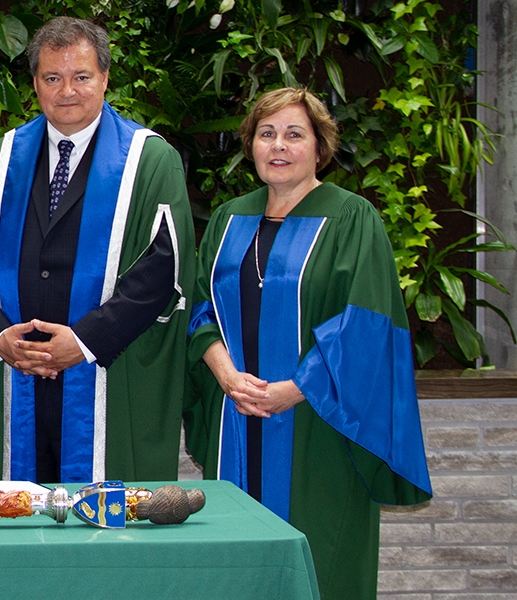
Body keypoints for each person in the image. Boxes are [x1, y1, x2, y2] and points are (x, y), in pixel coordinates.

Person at [184, 87, 432, 599]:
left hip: (318, 426)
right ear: (250, 145)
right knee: (235, 562)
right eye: (266, 134)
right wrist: (227, 376)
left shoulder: (351, 218)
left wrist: (293, 389)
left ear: (320, 147)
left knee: (320, 558)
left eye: (295, 135)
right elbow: (198, 309)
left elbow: (365, 326)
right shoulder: (229, 219)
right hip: (236, 416)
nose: (279, 146)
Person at [0, 17, 194, 484]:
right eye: (52, 78)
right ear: (35, 83)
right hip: (15, 374)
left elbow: (162, 270)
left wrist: (83, 343)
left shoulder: (148, 160)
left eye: (81, 77)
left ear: (105, 78)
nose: (67, 91)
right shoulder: (2, 158)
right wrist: (0, 337)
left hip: (105, 378)